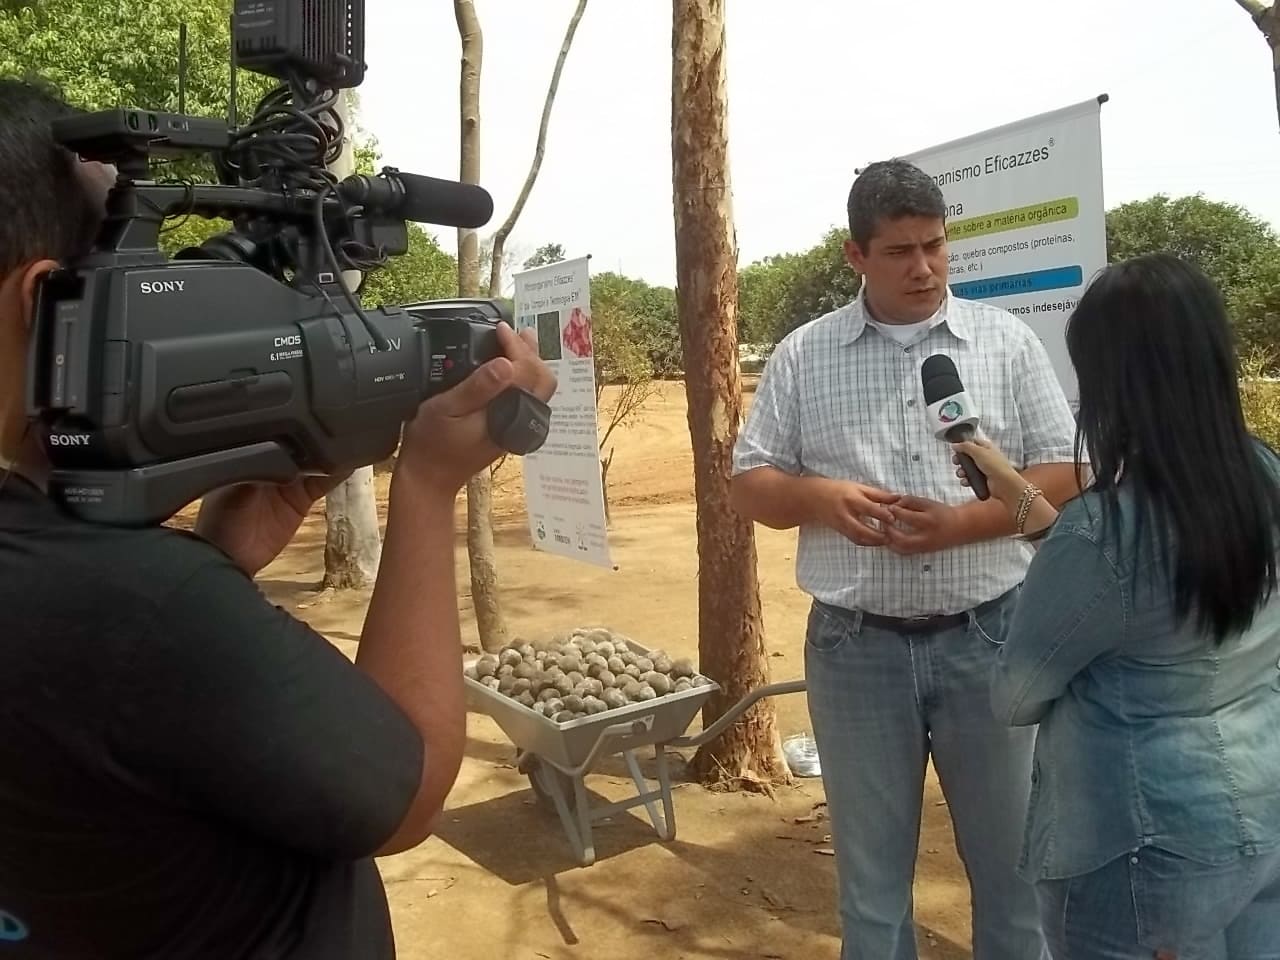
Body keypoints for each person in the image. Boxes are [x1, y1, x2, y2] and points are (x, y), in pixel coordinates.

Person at [0, 78, 556, 959]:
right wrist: (423, 490)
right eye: (131, 259)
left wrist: (217, 555)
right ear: (44, 306)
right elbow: (404, 791)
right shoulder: (138, 608)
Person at [731, 158, 1080, 960]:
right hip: (856, 652)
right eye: (900, 251)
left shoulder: (1005, 341)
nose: (923, 267)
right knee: (872, 889)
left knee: (1013, 875)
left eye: (935, 245)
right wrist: (821, 499)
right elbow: (750, 485)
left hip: (991, 639)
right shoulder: (803, 355)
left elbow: (1065, 470)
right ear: (856, 256)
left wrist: (962, 524)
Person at [952, 253, 1280, 959]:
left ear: (1119, 384)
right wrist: (1012, 487)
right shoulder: (1262, 473)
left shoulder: (1105, 532)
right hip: (1259, 811)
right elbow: (1137, 587)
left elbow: (1016, 695)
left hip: (1135, 847)